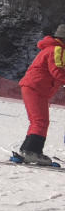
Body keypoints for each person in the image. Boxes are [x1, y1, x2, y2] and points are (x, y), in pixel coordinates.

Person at [15, 24, 65, 165]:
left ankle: (27, 150)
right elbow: (57, 71)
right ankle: (32, 152)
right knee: (40, 121)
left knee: (37, 121)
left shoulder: (52, 48)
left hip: (34, 88)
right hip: (36, 88)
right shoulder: (57, 49)